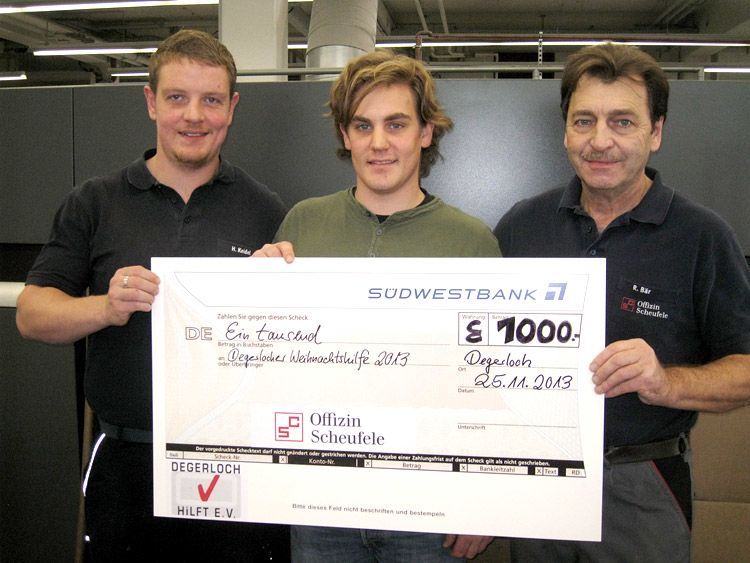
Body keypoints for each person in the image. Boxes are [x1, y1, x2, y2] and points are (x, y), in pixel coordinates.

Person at [16, 30, 290, 561]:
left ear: (232, 108)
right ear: (150, 102)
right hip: (126, 463)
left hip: (236, 461)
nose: (194, 116)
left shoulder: (265, 209)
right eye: (177, 97)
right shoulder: (95, 202)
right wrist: (105, 307)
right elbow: (31, 315)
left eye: (211, 100)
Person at [494, 41, 750, 561]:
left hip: (642, 483)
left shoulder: (702, 236)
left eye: (623, 122)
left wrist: (665, 382)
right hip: (538, 477)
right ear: (566, 131)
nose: (600, 141)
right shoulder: (523, 225)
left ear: (656, 132)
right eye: (584, 121)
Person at [254, 50, 499, 561]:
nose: (379, 143)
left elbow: (495, 386)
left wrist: (486, 497)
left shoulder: (471, 241)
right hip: (321, 505)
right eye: (363, 126)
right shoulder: (302, 225)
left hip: (429, 509)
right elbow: (268, 364)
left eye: (396, 124)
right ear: (345, 135)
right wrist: (250, 296)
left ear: (425, 133)